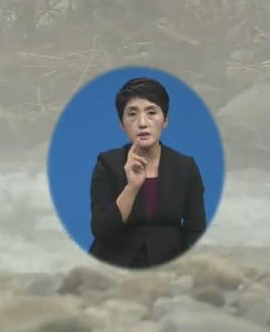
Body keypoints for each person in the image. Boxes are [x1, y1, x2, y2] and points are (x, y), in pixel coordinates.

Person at [88, 77, 207, 269]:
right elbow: (100, 229)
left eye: (151, 112)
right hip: (114, 265)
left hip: (169, 265)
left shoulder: (185, 166)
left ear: (165, 120)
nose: (142, 123)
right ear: (122, 124)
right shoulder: (107, 163)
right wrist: (132, 187)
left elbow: (196, 231)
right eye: (132, 114)